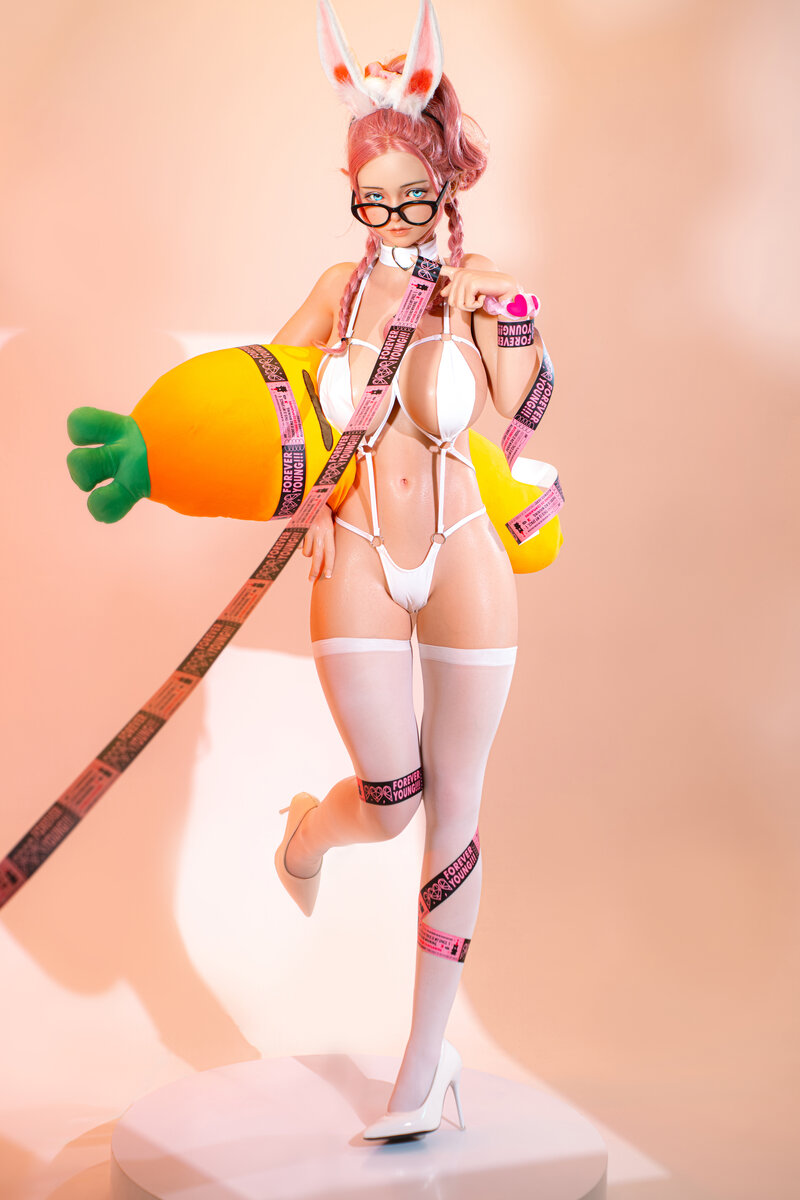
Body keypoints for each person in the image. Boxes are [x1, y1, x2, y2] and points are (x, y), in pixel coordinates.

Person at [272, 0, 543, 1141]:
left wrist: (509, 318)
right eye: (369, 199)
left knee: (456, 805)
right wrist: (300, 500)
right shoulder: (337, 295)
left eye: (409, 197)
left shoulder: (478, 284)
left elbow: (525, 415)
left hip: (467, 549)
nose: (388, 218)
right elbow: (269, 397)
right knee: (389, 803)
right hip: (358, 554)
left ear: (444, 186)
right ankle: (307, 833)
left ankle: (425, 1063)